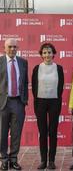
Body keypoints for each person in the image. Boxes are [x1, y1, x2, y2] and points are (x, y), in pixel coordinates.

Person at [31, 43, 64, 170]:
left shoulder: (59, 68)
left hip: (54, 102)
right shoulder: (36, 68)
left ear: (53, 54)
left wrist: (55, 98)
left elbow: (60, 86)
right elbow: (34, 87)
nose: (47, 55)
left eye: (49, 52)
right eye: (44, 52)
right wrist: (38, 100)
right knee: (43, 132)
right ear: (41, 54)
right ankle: (43, 160)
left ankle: (51, 160)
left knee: (53, 132)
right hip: (40, 102)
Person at [0, 38, 28, 170]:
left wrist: (24, 100)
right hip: (2, 103)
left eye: (15, 47)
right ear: (4, 48)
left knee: (16, 133)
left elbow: (25, 82)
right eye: (10, 47)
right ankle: (4, 159)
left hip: (18, 102)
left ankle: (13, 159)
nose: (12, 49)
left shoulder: (23, 62)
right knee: (2, 133)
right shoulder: (0, 62)